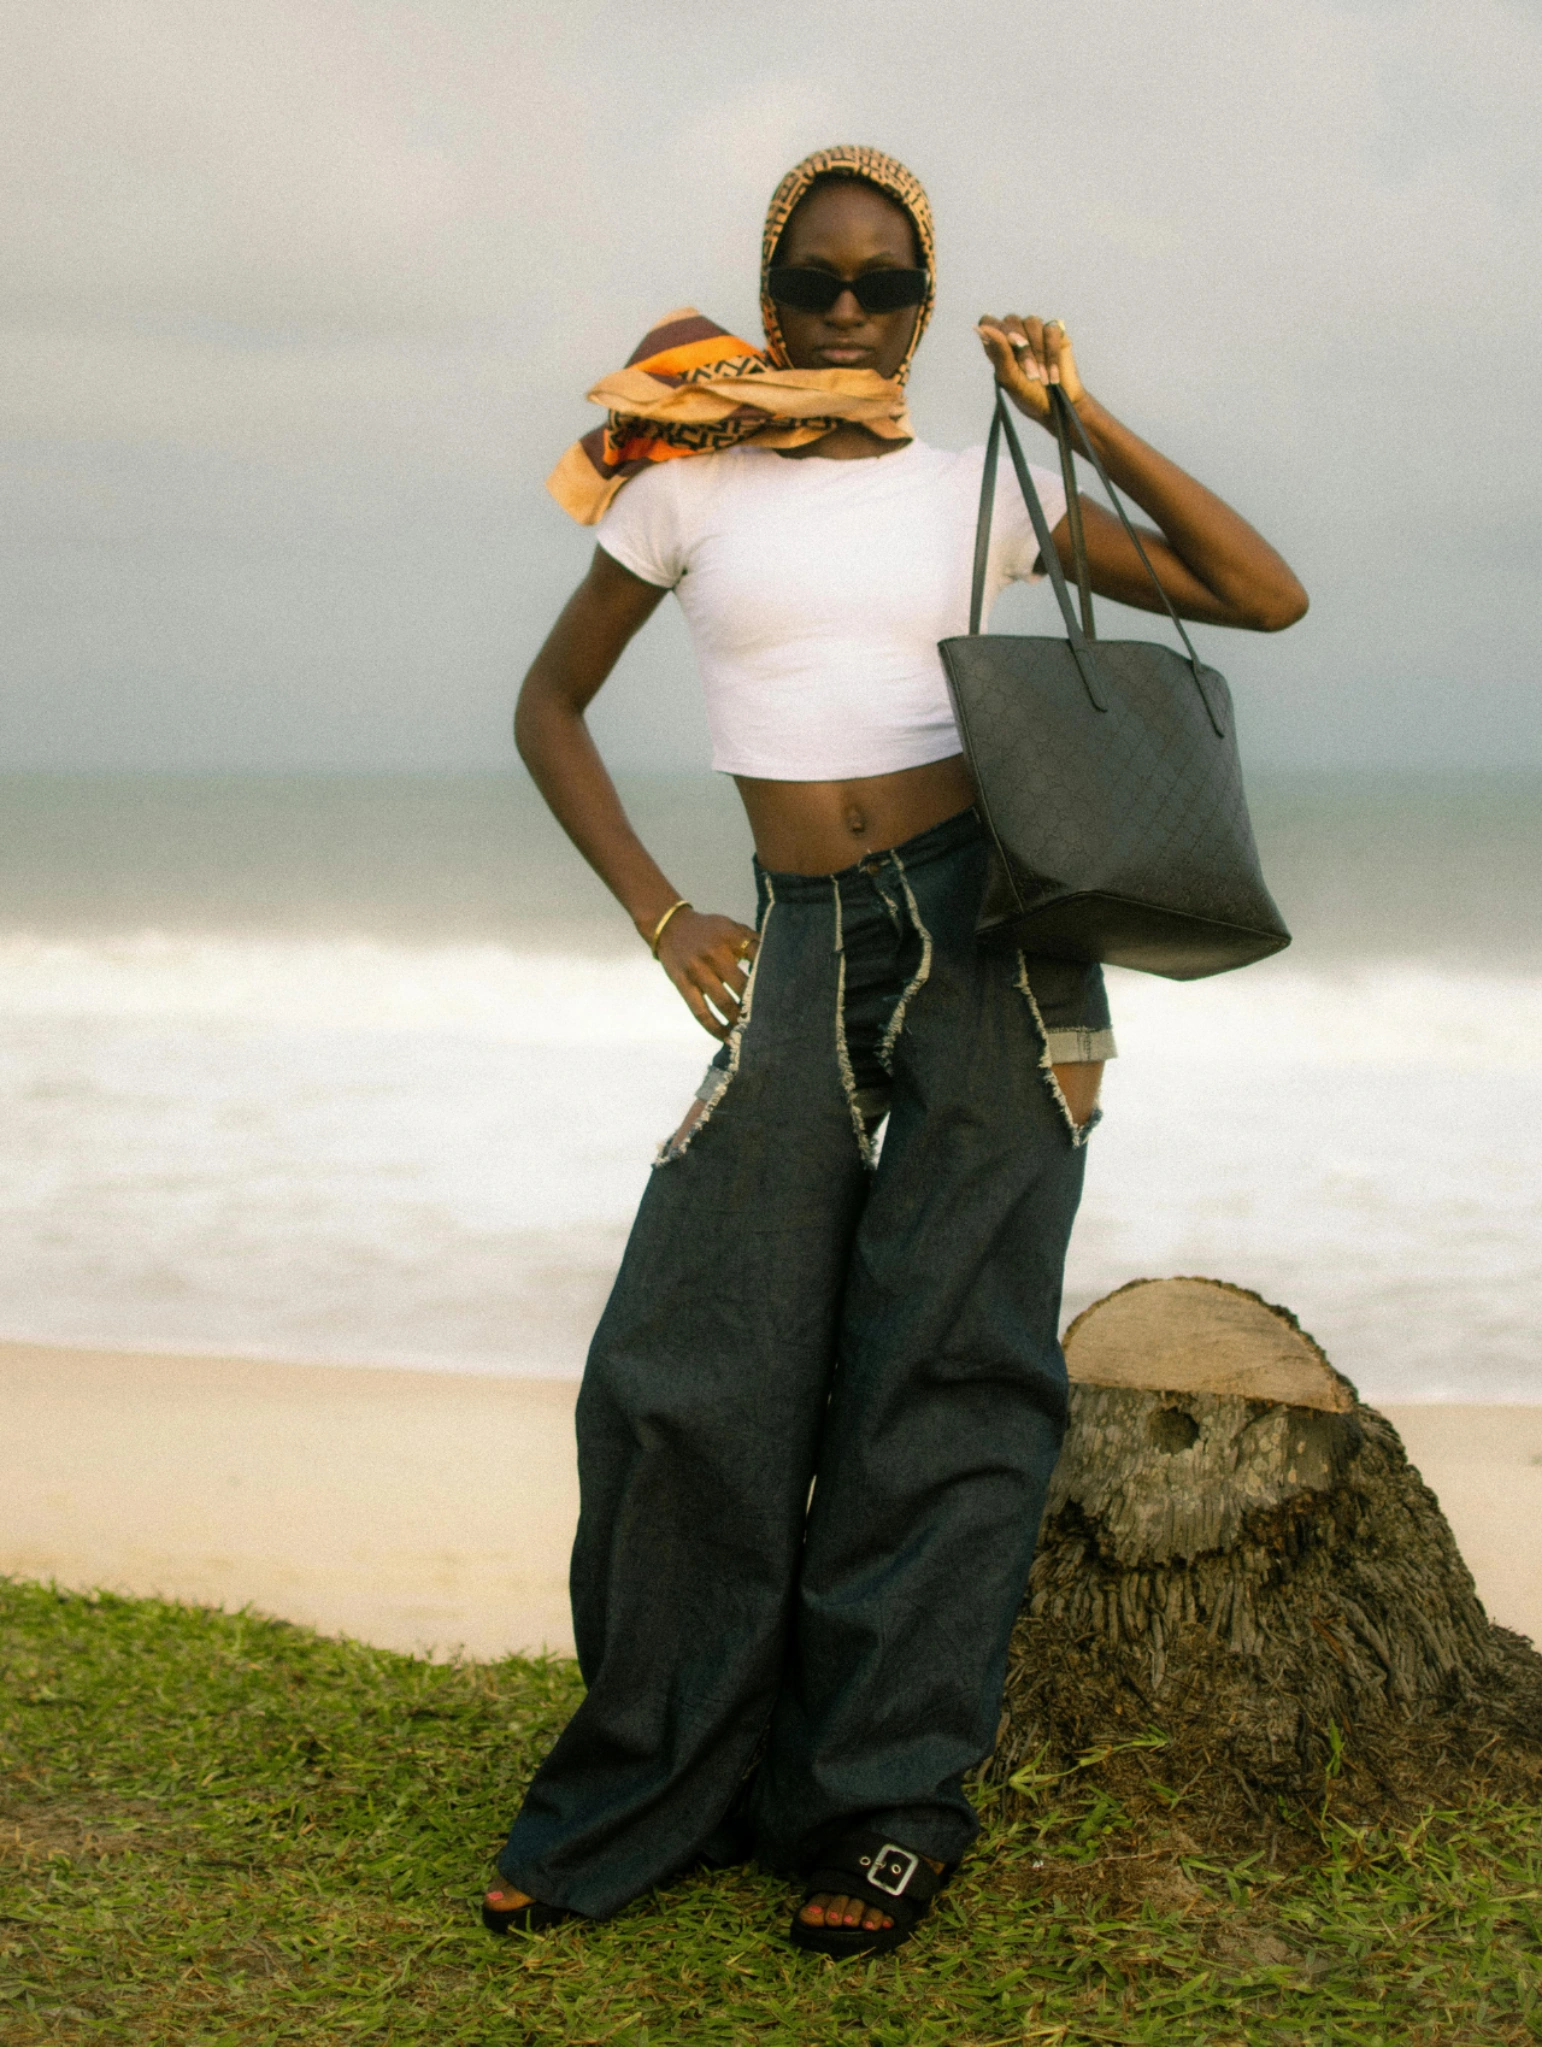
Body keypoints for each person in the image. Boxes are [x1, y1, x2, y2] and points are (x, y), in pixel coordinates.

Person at [484, 144, 1306, 1957]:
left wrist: (1074, 416)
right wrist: (660, 913)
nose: (847, 310)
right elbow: (547, 706)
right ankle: (649, 1783)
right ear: (770, 298)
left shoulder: (980, 491)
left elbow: (1260, 596)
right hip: (792, 939)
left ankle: (880, 1808)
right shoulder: (681, 487)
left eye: (882, 285)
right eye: (814, 282)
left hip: (988, 937)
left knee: (943, 1377)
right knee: (687, 1369)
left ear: (924, 309)